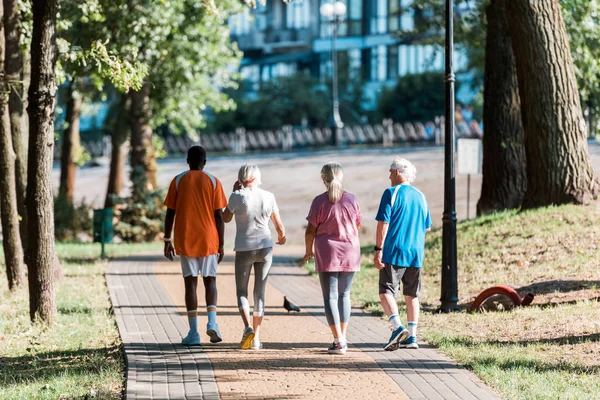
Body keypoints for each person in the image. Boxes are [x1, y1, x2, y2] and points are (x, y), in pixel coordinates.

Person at [163, 146, 227, 346]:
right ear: (205, 162)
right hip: (209, 238)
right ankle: (213, 323)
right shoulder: (214, 181)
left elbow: (170, 213)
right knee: (211, 281)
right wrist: (222, 244)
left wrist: (167, 240)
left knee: (190, 283)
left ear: (187, 160)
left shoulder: (178, 180)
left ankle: (193, 333)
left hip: (185, 237)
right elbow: (219, 215)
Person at [223, 164, 286, 350]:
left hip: (244, 248)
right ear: (257, 177)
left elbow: (225, 218)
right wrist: (282, 237)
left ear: (240, 177)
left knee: (241, 291)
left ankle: (247, 327)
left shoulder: (237, 196)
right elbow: (278, 225)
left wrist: (233, 194)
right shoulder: (269, 196)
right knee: (260, 292)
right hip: (265, 247)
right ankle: (256, 339)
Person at [302, 162, 362, 355]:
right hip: (350, 251)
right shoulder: (352, 199)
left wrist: (308, 251)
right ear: (341, 177)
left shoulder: (319, 201)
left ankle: (338, 340)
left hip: (327, 252)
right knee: (345, 295)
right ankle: (342, 338)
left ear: (323, 179)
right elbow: (358, 225)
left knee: (330, 297)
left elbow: (310, 230)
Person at [374, 157, 431, 351]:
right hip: (416, 252)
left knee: (385, 291)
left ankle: (397, 327)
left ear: (398, 172)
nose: (389, 174)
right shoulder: (421, 196)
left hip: (394, 250)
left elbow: (383, 223)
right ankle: (412, 337)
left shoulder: (391, 193)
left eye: (391, 170)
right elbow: (427, 227)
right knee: (411, 294)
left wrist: (378, 250)